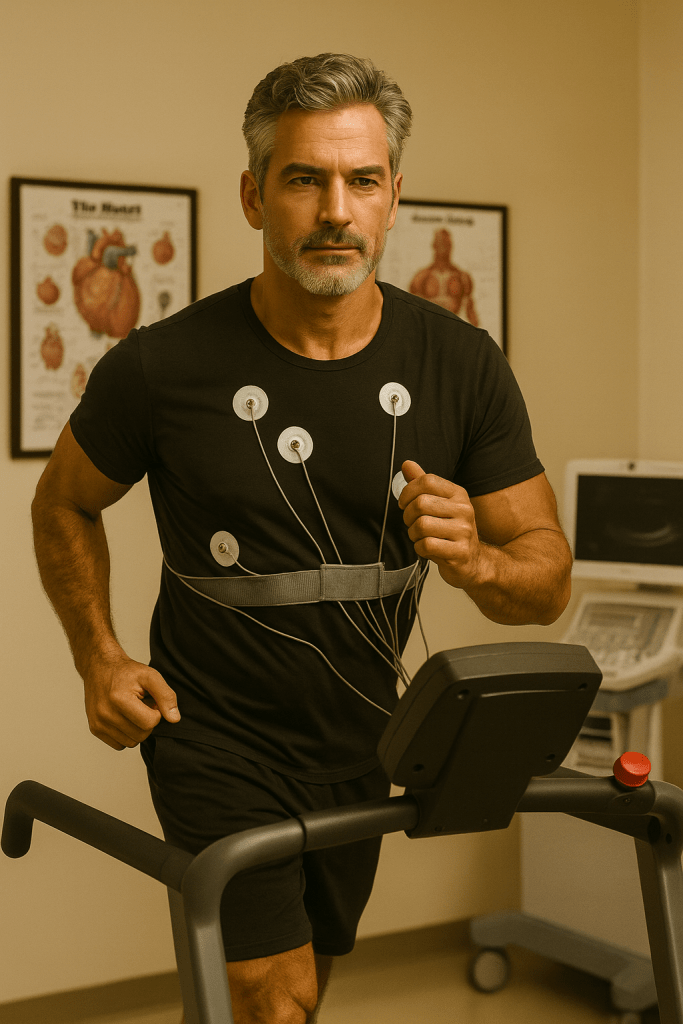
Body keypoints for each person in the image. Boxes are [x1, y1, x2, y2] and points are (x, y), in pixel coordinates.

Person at [31, 53, 572, 1024]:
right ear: (253, 195)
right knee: (268, 996)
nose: (334, 208)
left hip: (366, 736)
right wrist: (99, 657)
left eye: (360, 181)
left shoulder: (460, 365)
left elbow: (542, 580)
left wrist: (475, 559)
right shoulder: (161, 366)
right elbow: (63, 501)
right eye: (303, 179)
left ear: (392, 196)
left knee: (305, 986)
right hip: (213, 735)